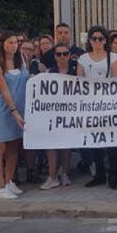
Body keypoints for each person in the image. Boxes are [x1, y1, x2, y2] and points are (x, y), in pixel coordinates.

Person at [78, 25, 117, 189]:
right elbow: (79, 81)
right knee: (94, 141)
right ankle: (99, 173)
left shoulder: (113, 57)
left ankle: (113, 175)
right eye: (94, 38)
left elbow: (116, 80)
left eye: (100, 38)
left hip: (110, 105)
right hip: (90, 106)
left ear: (106, 40)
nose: (97, 41)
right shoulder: (83, 58)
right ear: (89, 40)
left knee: (112, 141)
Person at [0, 33, 28, 200]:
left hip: (21, 107)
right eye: (10, 42)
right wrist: (13, 111)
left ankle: (9, 180)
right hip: (4, 110)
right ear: (2, 44)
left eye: (15, 42)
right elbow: (4, 90)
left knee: (14, 146)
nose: (13, 45)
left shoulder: (22, 59)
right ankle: (0, 187)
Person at [40, 43, 76, 190]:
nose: (62, 57)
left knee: (66, 146)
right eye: (59, 54)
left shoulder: (75, 73)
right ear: (54, 56)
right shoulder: (49, 73)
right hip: (53, 115)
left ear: (69, 56)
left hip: (71, 114)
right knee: (52, 145)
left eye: (65, 54)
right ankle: (52, 176)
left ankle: (65, 173)